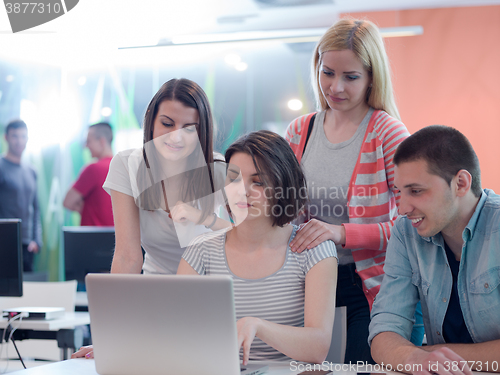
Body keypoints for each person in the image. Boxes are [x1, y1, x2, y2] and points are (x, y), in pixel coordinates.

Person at [285, 18, 423, 364]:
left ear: (372, 77)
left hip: (374, 290)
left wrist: (341, 232)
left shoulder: (388, 133)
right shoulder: (300, 131)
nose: (336, 87)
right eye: (327, 72)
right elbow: (282, 211)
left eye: (351, 77)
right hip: (311, 285)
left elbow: (414, 224)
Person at [178, 130, 338, 365]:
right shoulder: (201, 251)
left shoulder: (314, 250)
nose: (241, 191)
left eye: (259, 182)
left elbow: (318, 348)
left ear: (284, 186)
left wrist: (257, 326)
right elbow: (178, 336)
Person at [369, 125, 500, 374]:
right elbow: (384, 330)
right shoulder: (405, 233)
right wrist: (412, 358)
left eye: (416, 191)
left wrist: (430, 353)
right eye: (399, 192)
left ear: (461, 183)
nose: (403, 208)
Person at [0, 119, 42, 272]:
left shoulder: (31, 170)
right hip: (4, 242)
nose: (19, 141)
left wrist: (37, 240)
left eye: (23, 136)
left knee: (28, 292)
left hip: (28, 245)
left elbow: (36, 208)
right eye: (15, 136)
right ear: (6, 138)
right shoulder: (1, 166)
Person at [63, 122, 114, 226]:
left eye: (88, 141)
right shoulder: (124, 168)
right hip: (117, 236)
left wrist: (88, 209)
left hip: (92, 237)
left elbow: (67, 202)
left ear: (101, 141)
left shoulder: (93, 169)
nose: (86, 146)